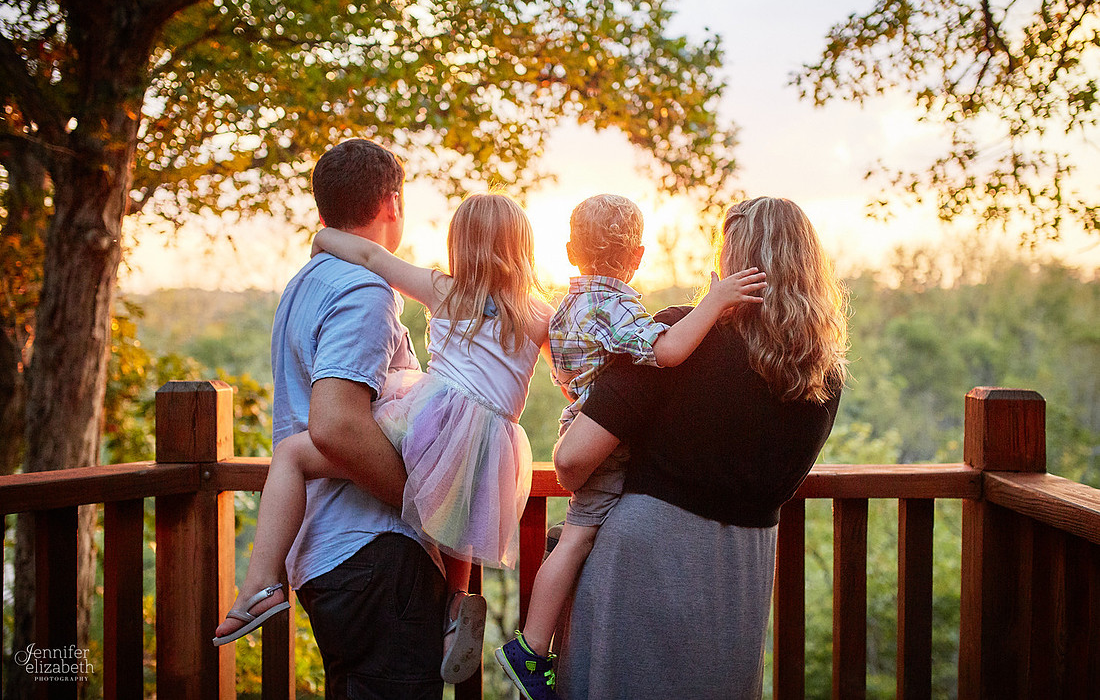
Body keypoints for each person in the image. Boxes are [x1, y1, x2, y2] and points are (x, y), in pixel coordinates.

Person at [216, 188, 553, 686]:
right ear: (525, 248)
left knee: (291, 454)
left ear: (459, 243)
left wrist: (324, 236)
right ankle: (457, 604)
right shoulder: (539, 314)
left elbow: (374, 256)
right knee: (454, 504)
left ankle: (263, 582)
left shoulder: (446, 290)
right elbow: (572, 371)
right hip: (491, 447)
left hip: (436, 421)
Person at [551, 197, 849, 699]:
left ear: (733, 262)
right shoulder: (822, 375)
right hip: (740, 577)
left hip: (642, 565)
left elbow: (571, 459)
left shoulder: (678, 340)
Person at [494, 194, 766, 700]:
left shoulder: (568, 307)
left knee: (576, 535)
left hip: (581, 424)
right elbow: (667, 350)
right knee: (576, 538)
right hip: (600, 447)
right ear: (638, 257)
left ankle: (534, 645)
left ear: (571, 250)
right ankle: (530, 650)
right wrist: (714, 303)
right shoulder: (617, 308)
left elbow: (563, 368)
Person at [212, 139, 448, 698]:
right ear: (392, 204)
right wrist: (429, 504)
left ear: (325, 210)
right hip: (372, 551)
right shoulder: (363, 289)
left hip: (327, 553)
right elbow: (336, 426)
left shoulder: (304, 285)